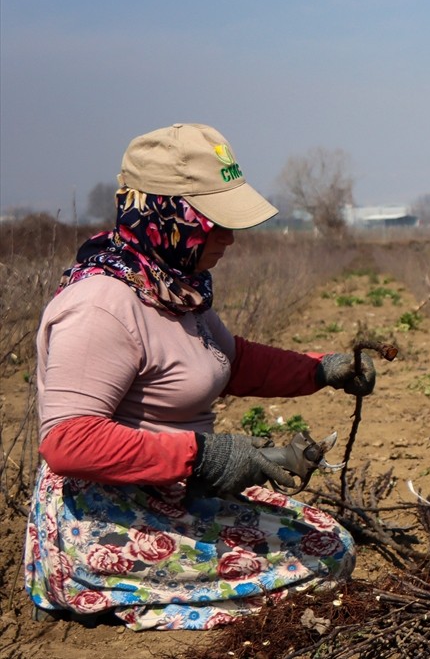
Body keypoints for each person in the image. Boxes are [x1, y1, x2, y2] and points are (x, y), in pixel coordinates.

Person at [24, 123, 376, 630]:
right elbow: (69, 442)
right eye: (215, 221)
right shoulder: (103, 305)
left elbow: (229, 361)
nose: (230, 238)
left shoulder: (174, 290)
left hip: (170, 489)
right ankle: (101, 590)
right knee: (325, 558)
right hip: (106, 514)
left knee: (324, 538)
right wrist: (206, 457)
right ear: (170, 216)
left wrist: (321, 370)